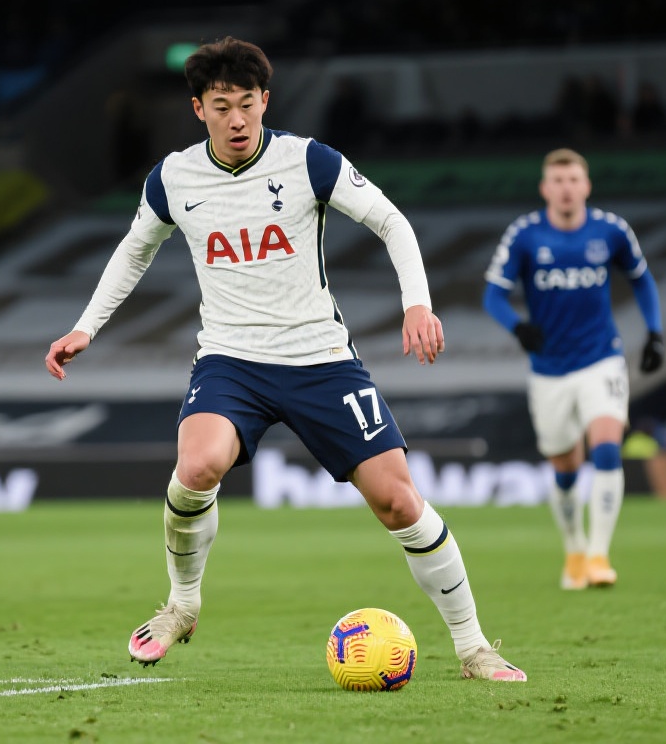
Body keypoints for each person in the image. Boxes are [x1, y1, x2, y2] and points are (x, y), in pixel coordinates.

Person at [44, 37, 526, 682]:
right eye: (222, 106)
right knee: (196, 467)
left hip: (321, 358)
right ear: (198, 109)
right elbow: (136, 249)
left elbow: (392, 221)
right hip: (231, 360)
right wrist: (85, 327)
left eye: (247, 103)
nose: (237, 119)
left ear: (265, 101)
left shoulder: (308, 161)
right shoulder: (173, 177)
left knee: (399, 503)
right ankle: (181, 605)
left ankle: (473, 648)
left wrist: (417, 304)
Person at [483, 148, 664, 590]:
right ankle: (575, 549)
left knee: (606, 450)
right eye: (558, 181)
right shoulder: (525, 235)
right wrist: (518, 327)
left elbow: (641, 279)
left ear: (586, 185)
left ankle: (600, 556)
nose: (566, 189)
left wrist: (655, 332)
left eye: (573, 180)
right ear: (545, 188)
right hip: (549, 369)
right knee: (565, 468)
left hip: (601, 357)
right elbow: (492, 294)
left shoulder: (612, 231)